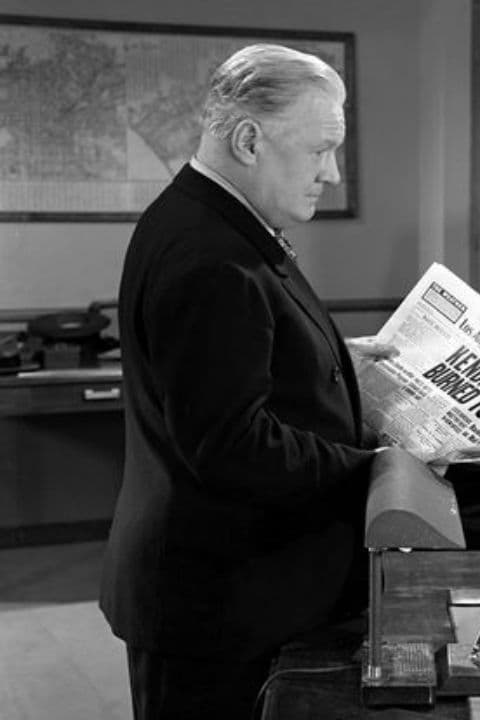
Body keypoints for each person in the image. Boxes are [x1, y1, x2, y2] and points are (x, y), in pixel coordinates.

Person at [101, 44, 393, 719]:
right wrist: (376, 468)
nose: (332, 173)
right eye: (321, 149)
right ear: (249, 140)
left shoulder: (209, 218)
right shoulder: (211, 256)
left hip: (231, 592)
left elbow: (236, 363)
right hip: (217, 608)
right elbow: (233, 445)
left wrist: (335, 360)